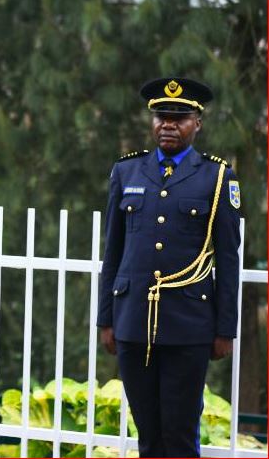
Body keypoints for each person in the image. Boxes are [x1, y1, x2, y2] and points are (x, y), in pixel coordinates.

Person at [98, 77, 241, 457]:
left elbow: (228, 259)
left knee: (179, 435)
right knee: (147, 434)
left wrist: (225, 328)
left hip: (189, 325)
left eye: (179, 118)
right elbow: (113, 251)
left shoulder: (217, 177)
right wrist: (106, 319)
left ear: (197, 123)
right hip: (133, 321)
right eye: (162, 117)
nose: (168, 125)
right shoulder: (126, 172)